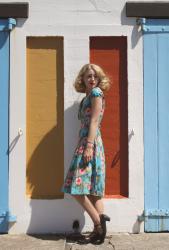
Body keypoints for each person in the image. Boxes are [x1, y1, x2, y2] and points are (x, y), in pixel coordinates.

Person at [61, 63, 111, 244]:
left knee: (77, 189)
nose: (92, 79)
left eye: (94, 76)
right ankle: (100, 232)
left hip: (90, 144)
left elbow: (95, 121)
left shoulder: (96, 94)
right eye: (88, 76)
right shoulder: (87, 97)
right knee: (93, 192)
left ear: (98, 79)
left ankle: (98, 224)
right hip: (85, 143)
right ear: (82, 78)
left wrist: (88, 146)